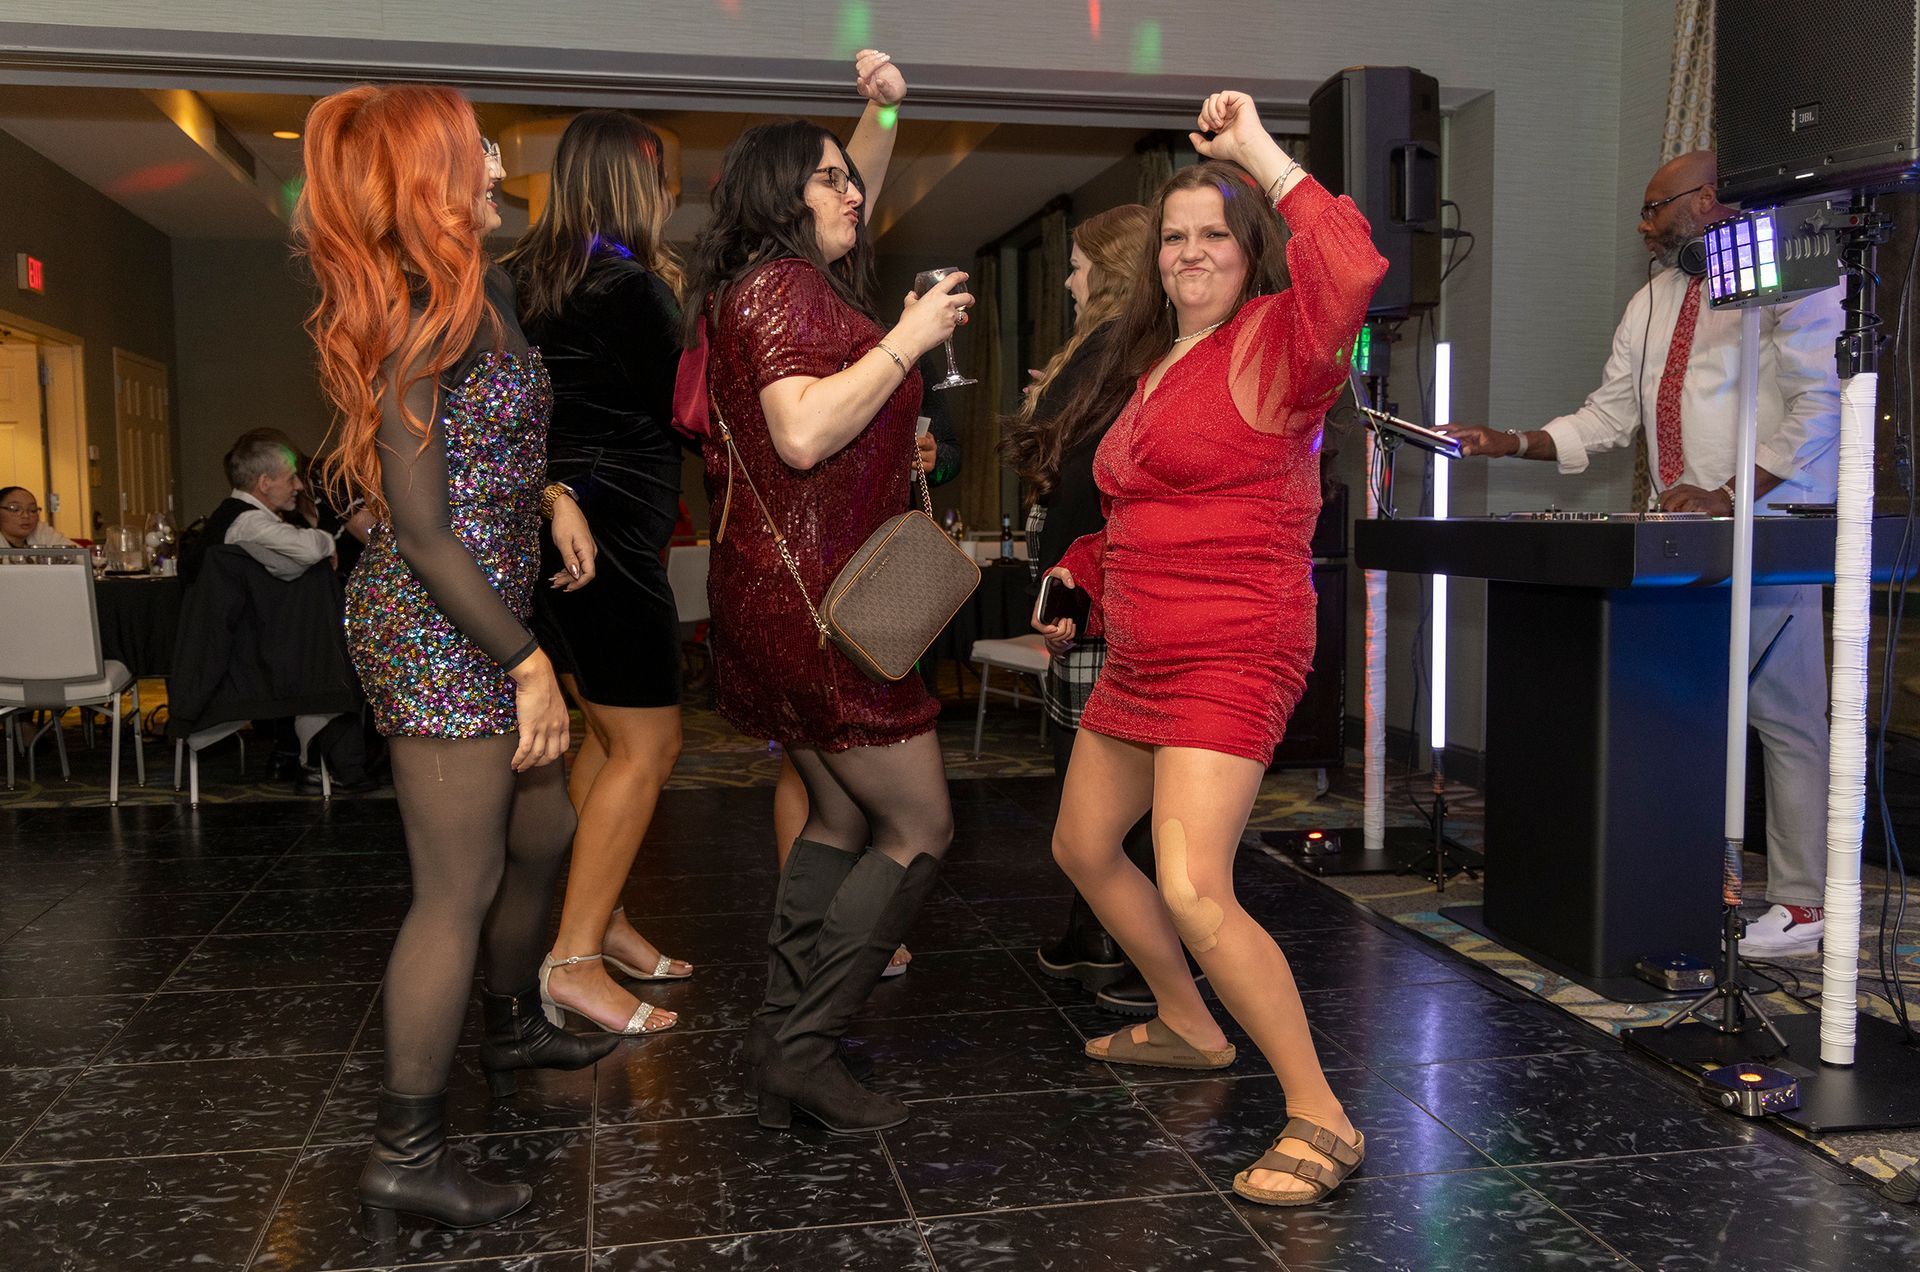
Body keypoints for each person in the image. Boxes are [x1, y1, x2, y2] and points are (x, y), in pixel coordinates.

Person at [1035, 92, 1386, 1206]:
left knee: (1194, 886)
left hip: (1232, 649)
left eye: (1214, 235)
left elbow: (1356, 269)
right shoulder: (1159, 365)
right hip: (1140, 656)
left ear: (1249, 254)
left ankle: (1322, 1116)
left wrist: (1255, 152)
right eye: (1176, 236)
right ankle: (1190, 1024)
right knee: (1085, 848)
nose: (1191, 253)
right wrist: (1080, 573)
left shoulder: (1280, 338)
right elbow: (1136, 509)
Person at [295, 83, 617, 1239]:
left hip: (483, 612)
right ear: (433, 173)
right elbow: (423, 526)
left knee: (546, 831)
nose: (495, 161)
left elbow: (494, 439)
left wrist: (555, 489)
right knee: (454, 888)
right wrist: (527, 662)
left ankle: (509, 1019)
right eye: (477, 148)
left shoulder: (476, 296)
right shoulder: (420, 305)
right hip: (443, 627)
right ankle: (406, 1153)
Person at [1438, 150, 1840, 958]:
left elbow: (1817, 411)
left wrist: (1728, 493)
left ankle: (1804, 906)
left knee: (1784, 722)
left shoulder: (1793, 280)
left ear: (1709, 199)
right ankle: (1686, 878)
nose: (1644, 226)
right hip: (1682, 544)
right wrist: (1509, 442)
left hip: (1768, 532)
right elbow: (1610, 416)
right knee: (1693, 713)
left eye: (1656, 208)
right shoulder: (1652, 301)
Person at [683, 49, 971, 1135]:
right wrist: (908, 338)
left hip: (781, 589)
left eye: (850, 176)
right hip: (825, 603)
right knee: (924, 821)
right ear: (779, 200)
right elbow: (802, 432)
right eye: (829, 181)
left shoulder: (770, 285)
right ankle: (802, 1048)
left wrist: (879, 113)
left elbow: (860, 190)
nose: (853, 192)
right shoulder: (782, 289)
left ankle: (779, 1032)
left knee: (845, 812)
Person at [501, 110, 692, 1037]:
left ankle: (600, 917)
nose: (673, 196)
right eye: (664, 179)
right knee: (650, 746)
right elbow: (689, 413)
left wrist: (545, 488)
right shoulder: (631, 288)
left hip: (546, 533)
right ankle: (572, 959)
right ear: (633, 184)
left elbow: (497, 419)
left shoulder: (512, 282)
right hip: (610, 538)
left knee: (606, 741)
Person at [1003, 203, 1162, 1012]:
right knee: (1098, 776)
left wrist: (1064, 586)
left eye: (1075, 264)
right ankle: (1092, 933)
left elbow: (1078, 485)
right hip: (1101, 584)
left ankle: (1134, 954)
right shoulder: (1121, 352)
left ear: (1109, 269)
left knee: (1100, 781)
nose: (1067, 280)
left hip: (1096, 586)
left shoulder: (1112, 350)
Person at [0, 486, 76, 548]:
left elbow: (79, 556)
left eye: (32, 510)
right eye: (15, 509)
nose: (26, 515)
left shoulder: (42, 531)